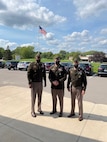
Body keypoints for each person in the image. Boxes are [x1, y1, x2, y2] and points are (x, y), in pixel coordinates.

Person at [27, 53, 46, 117]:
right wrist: (30, 82)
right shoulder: (32, 64)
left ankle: (39, 108)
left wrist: (45, 82)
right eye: (37, 57)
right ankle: (32, 111)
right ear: (35, 58)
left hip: (40, 82)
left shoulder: (42, 64)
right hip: (34, 83)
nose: (38, 58)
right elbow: (29, 73)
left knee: (40, 97)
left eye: (39, 57)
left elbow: (44, 73)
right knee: (33, 97)